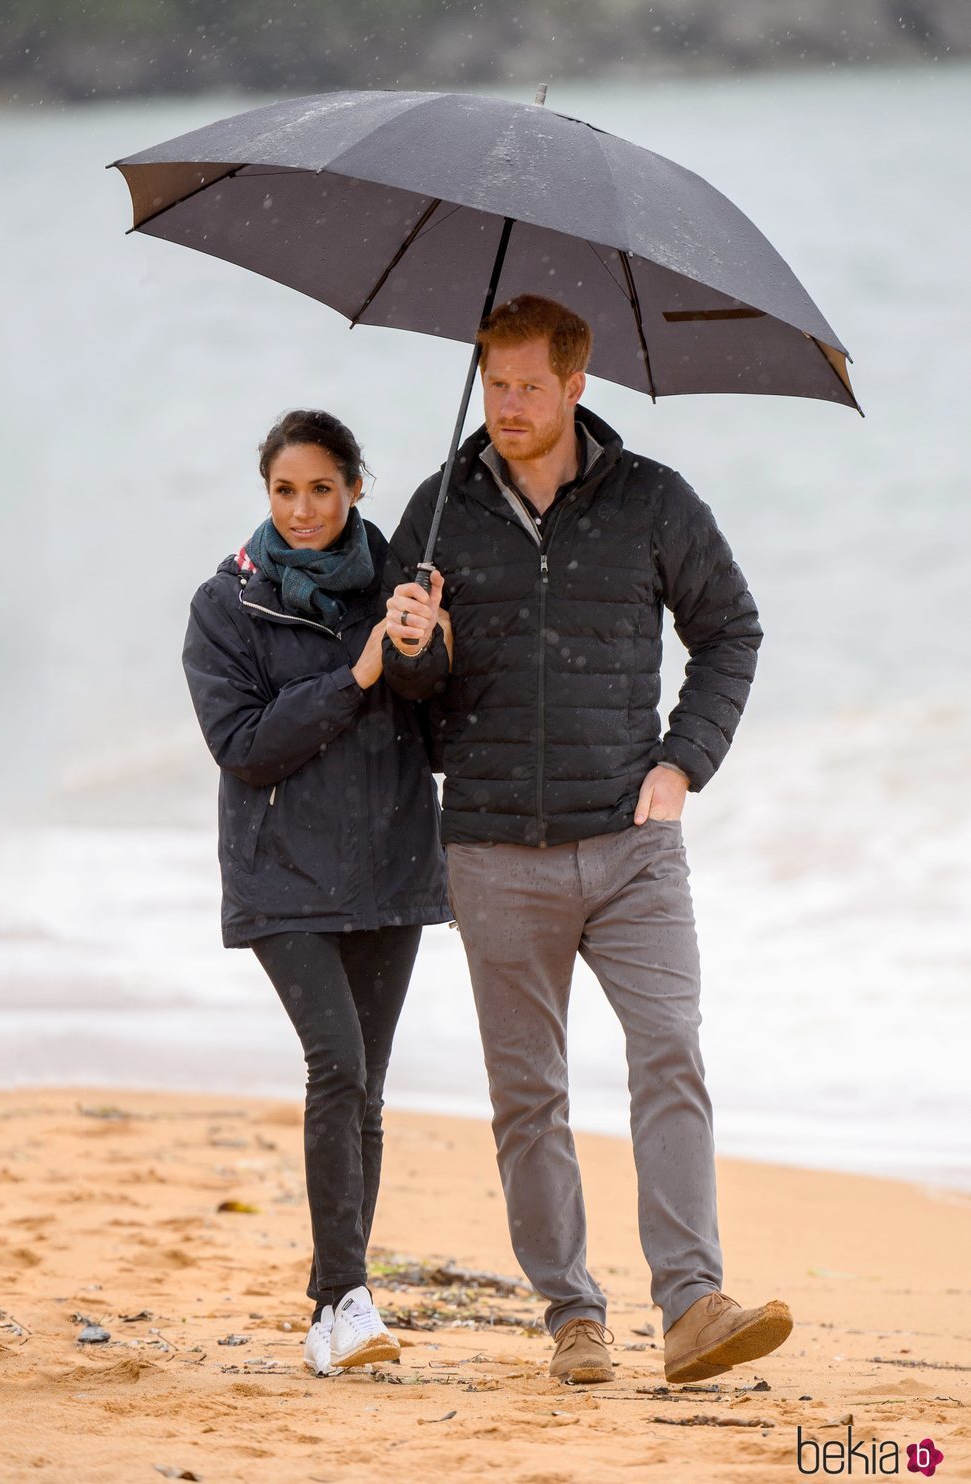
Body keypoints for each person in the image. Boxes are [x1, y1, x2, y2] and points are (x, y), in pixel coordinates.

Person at [381, 295, 793, 1386]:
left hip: (630, 843)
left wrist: (682, 760)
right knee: (528, 1096)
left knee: (669, 1051)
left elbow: (730, 631)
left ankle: (692, 1304)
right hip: (490, 853)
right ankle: (571, 1314)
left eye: (525, 384)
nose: (504, 405)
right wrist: (415, 646)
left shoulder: (654, 501)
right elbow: (415, 713)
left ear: (574, 382)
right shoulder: (437, 514)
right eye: (491, 382)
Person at [182, 409, 450, 1376]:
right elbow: (246, 747)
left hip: (390, 868)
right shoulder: (227, 605)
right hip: (281, 875)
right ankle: (342, 1299)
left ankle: (344, 1301)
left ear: (357, 489)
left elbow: (438, 709)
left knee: (367, 1089)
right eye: (285, 491)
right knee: (335, 1063)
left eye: (323, 489)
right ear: (266, 494)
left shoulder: (403, 585)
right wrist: (360, 668)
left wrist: (425, 644)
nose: (303, 510)